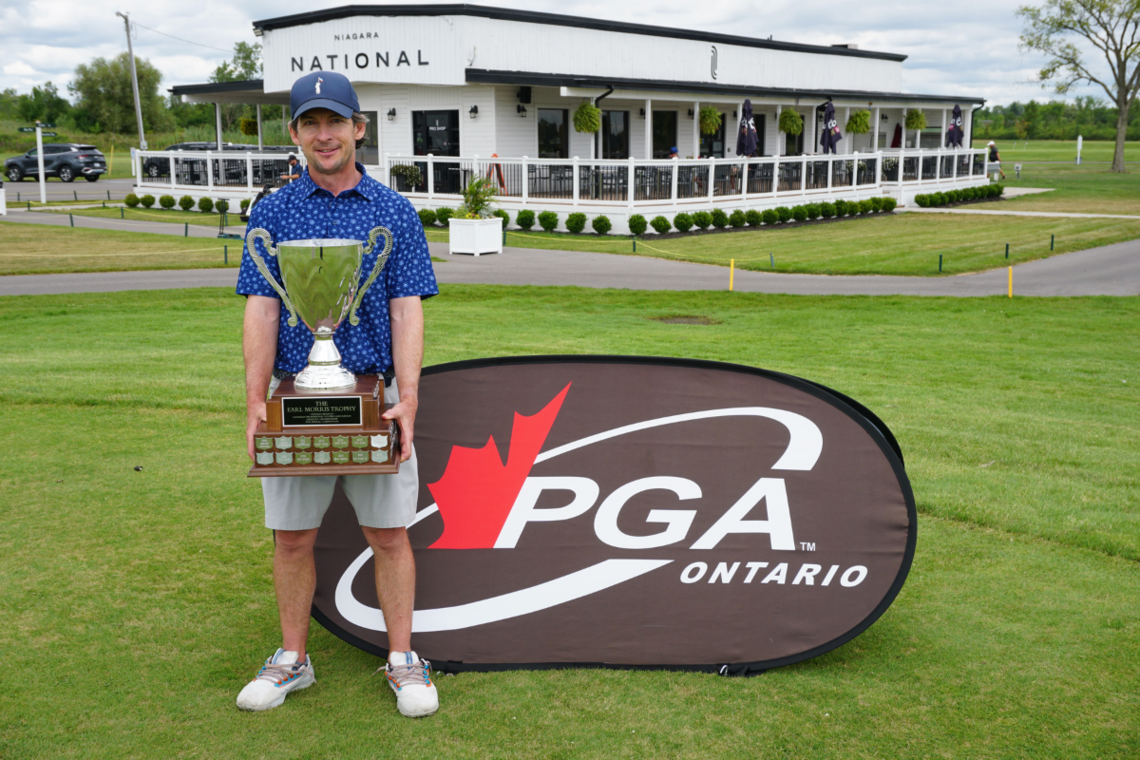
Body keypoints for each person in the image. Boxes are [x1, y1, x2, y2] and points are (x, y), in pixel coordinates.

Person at [235, 70, 440, 718]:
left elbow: (407, 310)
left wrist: (408, 397)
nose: (323, 135)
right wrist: (253, 404)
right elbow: (262, 311)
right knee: (291, 539)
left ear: (358, 128)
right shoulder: (271, 213)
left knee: (390, 535)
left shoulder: (393, 212)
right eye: (309, 123)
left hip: (373, 402)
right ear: (295, 134)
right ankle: (293, 658)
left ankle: (404, 659)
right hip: (298, 398)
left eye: (334, 121)